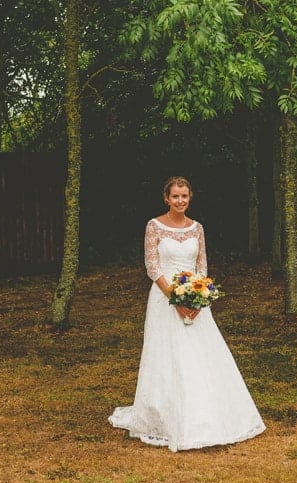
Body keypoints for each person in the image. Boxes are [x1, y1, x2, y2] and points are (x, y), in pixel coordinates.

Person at [109, 176, 265, 451]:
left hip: (195, 298)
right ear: (166, 199)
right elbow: (152, 266)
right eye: (175, 196)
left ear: (190, 198)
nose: (180, 201)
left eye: (184, 196)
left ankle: (208, 414)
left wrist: (197, 297)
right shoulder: (154, 226)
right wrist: (176, 299)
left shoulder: (197, 228)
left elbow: (202, 265)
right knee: (168, 355)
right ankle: (164, 415)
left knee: (201, 355)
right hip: (164, 297)